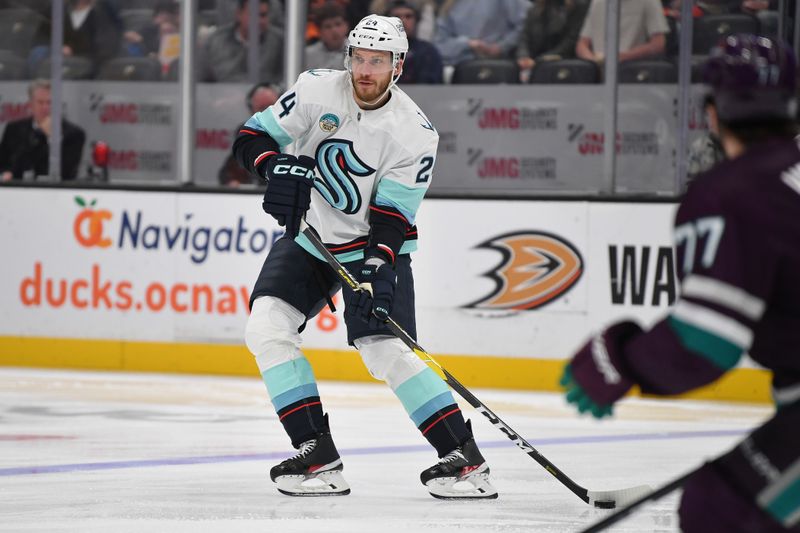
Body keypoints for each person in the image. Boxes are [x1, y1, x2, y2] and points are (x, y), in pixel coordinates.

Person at [232, 14, 497, 499]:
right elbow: (250, 138)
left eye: (377, 61)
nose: (364, 70)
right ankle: (317, 454)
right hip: (311, 236)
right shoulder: (315, 90)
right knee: (266, 326)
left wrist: (376, 268)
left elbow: (393, 217)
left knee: (383, 349)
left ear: (398, 66)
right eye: (358, 58)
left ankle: (464, 458)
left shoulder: (415, 133)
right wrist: (273, 168)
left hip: (368, 245)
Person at [560, 34, 800, 533]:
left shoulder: (730, 192)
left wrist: (622, 358)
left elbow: (705, 344)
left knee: (721, 508)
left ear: (712, 113)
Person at [0, 79, 86, 181]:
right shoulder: (14, 129)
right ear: (30, 104)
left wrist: (51, 138)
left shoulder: (74, 134)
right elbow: (4, 164)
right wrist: (6, 173)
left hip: (57, 193)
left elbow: (68, 172)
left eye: (50, 102)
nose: (45, 107)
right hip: (18, 191)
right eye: (40, 102)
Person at [200, 0, 284, 83]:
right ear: (238, 14)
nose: (259, 21)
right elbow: (201, 82)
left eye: (263, 15)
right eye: (253, 15)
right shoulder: (215, 43)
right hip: (223, 95)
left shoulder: (280, 42)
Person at [218, 83, 280, 187]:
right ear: (252, 109)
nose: (265, 113)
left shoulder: (295, 133)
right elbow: (227, 172)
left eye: (270, 107)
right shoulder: (247, 135)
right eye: (261, 108)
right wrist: (232, 180)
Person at [433, 0, 529, 66]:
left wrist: (501, 46)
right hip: (456, 67)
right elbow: (439, 44)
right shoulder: (450, 5)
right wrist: (468, 43)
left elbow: (527, 21)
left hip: (495, 66)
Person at [576, 0, 669, 64]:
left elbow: (658, 44)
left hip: (632, 73)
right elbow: (582, 43)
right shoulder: (597, 2)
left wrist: (623, 57)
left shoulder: (649, 1)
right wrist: (593, 61)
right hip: (598, 77)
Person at [516, 0, 590, 79]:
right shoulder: (534, 9)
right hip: (534, 64)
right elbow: (524, 37)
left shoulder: (578, 6)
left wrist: (540, 61)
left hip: (563, 64)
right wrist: (523, 56)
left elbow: (571, 41)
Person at [386, 0, 442, 83]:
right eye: (396, 17)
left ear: (417, 20)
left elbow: (430, 88)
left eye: (408, 16)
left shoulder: (429, 51)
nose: (402, 21)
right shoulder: (379, 51)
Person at [687, 93, 726, 182]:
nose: (711, 120)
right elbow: (691, 182)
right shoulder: (699, 146)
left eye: (714, 115)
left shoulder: (733, 144)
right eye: (708, 115)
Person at [304, 3, 349, 71]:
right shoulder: (308, 55)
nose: (334, 30)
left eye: (338, 24)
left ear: (346, 26)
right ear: (319, 32)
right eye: (328, 26)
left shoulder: (357, 51)